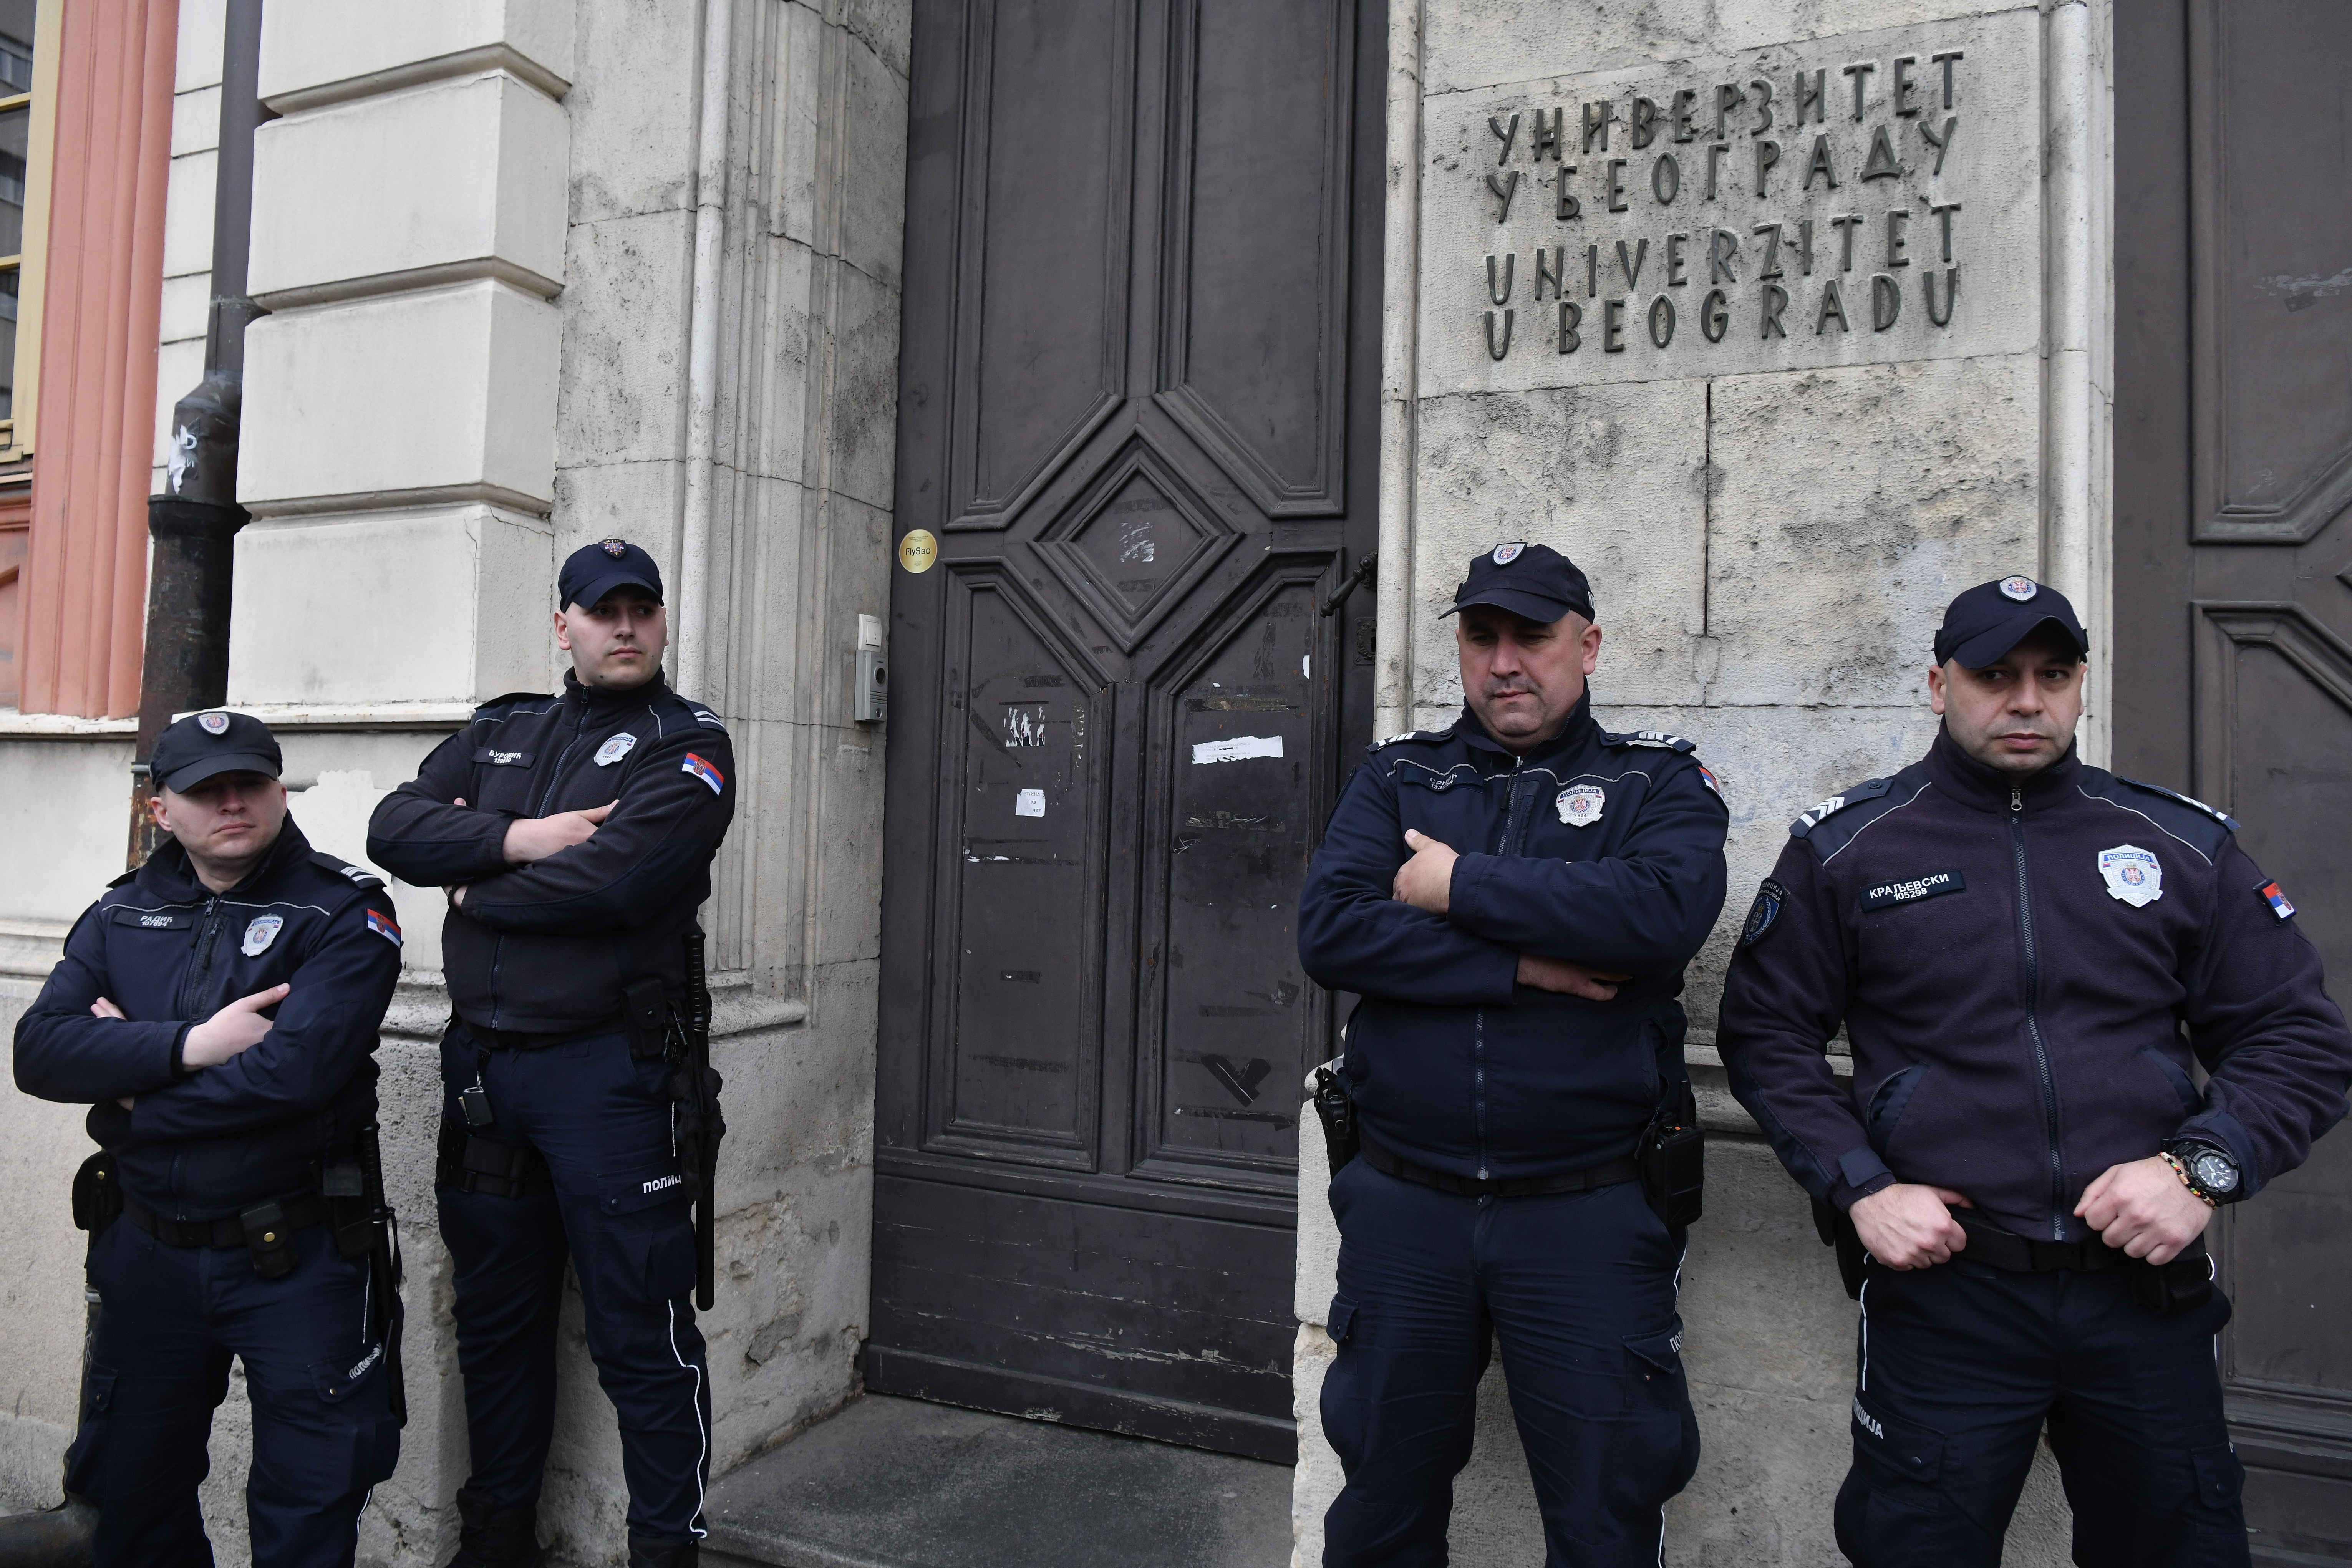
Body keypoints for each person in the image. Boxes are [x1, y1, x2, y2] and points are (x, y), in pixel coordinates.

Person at [1716, 577, 2352, 1566]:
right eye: (1994, 675)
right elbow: (1764, 1036)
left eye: (2051, 675)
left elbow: (2296, 1040)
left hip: (2143, 1296)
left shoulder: (2178, 845)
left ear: (2079, 686)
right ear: (1938, 684)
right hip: (1950, 1294)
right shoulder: (1848, 851)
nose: (2025, 700)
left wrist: (2199, 1171)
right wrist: (1861, 1189)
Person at [1298, 542, 1730, 1567]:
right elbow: (1332, 933)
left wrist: (1457, 886)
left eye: (1531, 637)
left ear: (1585, 646)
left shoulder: (1653, 781)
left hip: (1584, 1215)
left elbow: (1658, 915)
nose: (1505, 662)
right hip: (1406, 1208)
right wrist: (1523, 969)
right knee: (1382, 1512)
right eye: (1481, 637)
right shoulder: (1399, 776)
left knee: (1603, 1516)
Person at [366, 539, 736, 1568]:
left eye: (641, 610)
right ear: (562, 622)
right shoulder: (503, 727)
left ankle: (665, 1553)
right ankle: (496, 1544)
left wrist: (476, 880)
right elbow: (394, 827)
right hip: (486, 1077)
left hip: (609, 1081)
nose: (624, 627)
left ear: (662, 623)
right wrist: (528, 841)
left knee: (641, 1338)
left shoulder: (687, 743)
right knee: (495, 1322)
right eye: (601, 609)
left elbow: (619, 882)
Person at [14, 709, 404, 1567]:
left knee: (307, 1509)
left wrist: (125, 1099)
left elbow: (290, 1080)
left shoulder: (342, 912)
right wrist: (193, 1044)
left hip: (297, 1260)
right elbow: (39, 1052)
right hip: (149, 1250)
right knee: (134, 1504)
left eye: (251, 783)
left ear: (278, 787)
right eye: (207, 790)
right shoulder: (120, 914)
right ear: (164, 810)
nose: (234, 802)